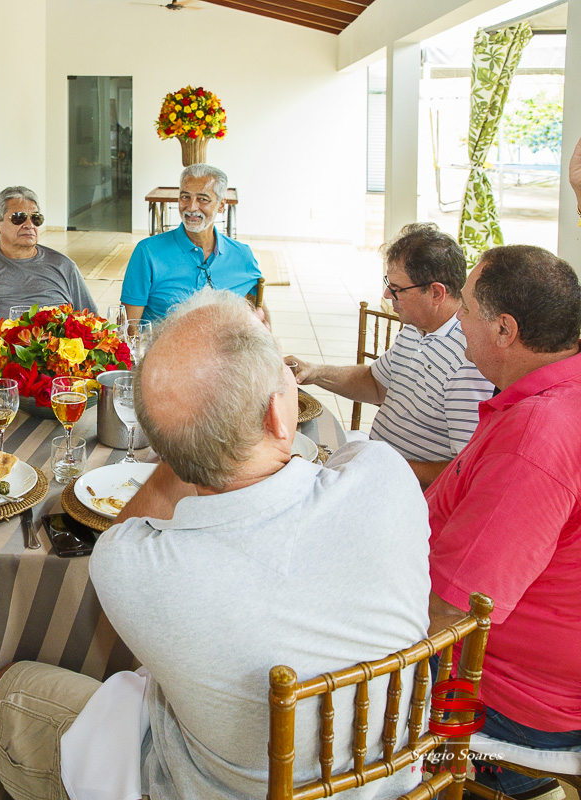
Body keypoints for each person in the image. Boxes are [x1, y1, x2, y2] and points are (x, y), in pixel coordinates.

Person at [0, 289, 429, 800]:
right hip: (399, 787)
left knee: (6, 689)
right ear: (278, 417)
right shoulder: (385, 476)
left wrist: (188, 437)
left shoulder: (129, 566)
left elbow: (130, 529)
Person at [425, 245, 581, 800]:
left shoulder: (538, 436)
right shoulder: (559, 391)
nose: (456, 319)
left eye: (464, 307)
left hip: (511, 700)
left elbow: (454, 609)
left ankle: (495, 780)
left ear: (505, 330)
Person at [286, 224, 492, 488]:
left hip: (401, 487)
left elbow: (463, 469)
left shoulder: (467, 361)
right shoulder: (416, 327)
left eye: (396, 288)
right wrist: (313, 372)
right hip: (374, 463)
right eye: (387, 284)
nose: (386, 295)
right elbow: (375, 384)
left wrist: (381, 463)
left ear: (436, 292)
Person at [120, 164, 265, 323]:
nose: (191, 207)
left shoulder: (242, 255)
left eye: (203, 199)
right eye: (185, 197)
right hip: (162, 347)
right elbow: (129, 327)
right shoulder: (147, 252)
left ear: (221, 205)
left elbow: (259, 310)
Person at [0, 186, 96, 334]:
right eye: (19, 218)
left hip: (51, 356)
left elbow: (91, 319)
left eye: (35, 218)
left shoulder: (63, 265)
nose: (29, 225)